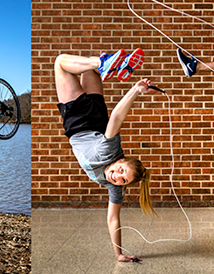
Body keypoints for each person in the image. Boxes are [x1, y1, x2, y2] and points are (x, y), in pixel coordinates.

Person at [54, 49, 158, 262]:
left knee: (89, 65)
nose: (116, 177)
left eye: (122, 179)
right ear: (120, 160)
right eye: (122, 170)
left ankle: (109, 63)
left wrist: (118, 254)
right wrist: (135, 90)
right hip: (78, 117)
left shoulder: (115, 187)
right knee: (61, 63)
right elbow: (118, 117)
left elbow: (113, 219)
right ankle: (104, 63)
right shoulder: (109, 152)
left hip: (96, 113)